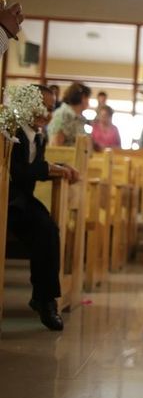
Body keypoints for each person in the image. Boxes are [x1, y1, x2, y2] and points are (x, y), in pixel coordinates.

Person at [7, 85, 80, 331]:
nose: (47, 114)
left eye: (50, 109)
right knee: (42, 226)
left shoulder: (40, 134)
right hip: (6, 197)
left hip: (22, 199)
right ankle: (44, 297)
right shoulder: (8, 129)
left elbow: (35, 167)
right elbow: (13, 170)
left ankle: (44, 298)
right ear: (26, 105)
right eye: (42, 107)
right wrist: (49, 168)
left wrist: (60, 167)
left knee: (48, 229)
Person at [48, 82, 91, 146]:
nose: (88, 101)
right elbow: (56, 145)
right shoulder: (63, 114)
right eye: (87, 98)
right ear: (83, 98)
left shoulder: (78, 117)